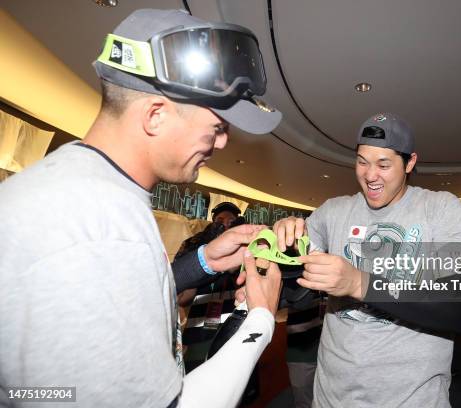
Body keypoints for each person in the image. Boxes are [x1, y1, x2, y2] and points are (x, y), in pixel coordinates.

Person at [0, 9, 284, 408]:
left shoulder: (81, 192)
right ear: (156, 115)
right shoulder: (103, 231)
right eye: (218, 126)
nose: (222, 143)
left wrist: (200, 262)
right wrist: (260, 319)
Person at [269, 113, 461, 407]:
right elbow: (293, 287)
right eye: (362, 161)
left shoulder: (440, 209)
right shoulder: (333, 212)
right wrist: (284, 243)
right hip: (333, 396)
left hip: (411, 399)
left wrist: (360, 283)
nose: (370, 175)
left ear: (410, 163)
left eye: (384, 164)